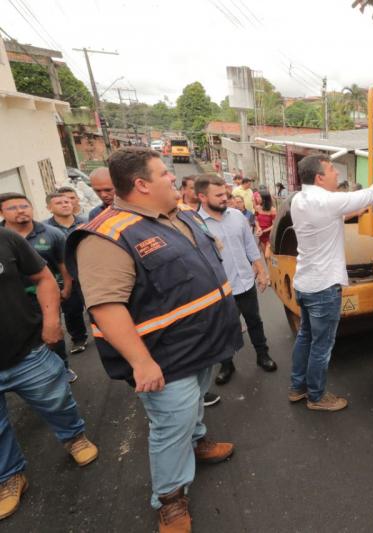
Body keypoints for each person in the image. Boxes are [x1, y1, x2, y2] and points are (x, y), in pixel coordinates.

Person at [66, 147, 241, 532]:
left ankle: (197, 442)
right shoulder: (107, 236)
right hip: (164, 356)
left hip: (201, 344)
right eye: (164, 173)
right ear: (142, 184)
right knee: (169, 425)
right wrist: (141, 362)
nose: (174, 178)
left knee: (193, 408)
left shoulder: (179, 216)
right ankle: (170, 498)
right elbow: (106, 307)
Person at [289, 151, 373, 411]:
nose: (337, 173)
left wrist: (352, 211)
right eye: (332, 169)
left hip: (304, 284)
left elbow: (331, 218)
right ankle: (317, 397)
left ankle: (297, 388)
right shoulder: (327, 201)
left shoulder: (299, 199)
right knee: (322, 345)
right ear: (319, 177)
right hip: (323, 287)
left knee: (305, 337)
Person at [0, 227, 98, 520]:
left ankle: (74, 437)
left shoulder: (6, 239)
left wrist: (52, 322)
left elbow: (43, 278)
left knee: (55, 401)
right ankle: (9, 476)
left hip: (26, 350)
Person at [196, 174, 277, 386]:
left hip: (246, 283)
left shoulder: (237, 216)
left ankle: (263, 356)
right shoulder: (195, 225)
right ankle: (226, 365)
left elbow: (250, 246)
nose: (226, 198)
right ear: (202, 197)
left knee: (255, 322)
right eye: (219, 195)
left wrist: (261, 271)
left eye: (226, 194)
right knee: (224, 328)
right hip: (220, 289)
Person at [0, 193, 77, 383]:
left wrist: (66, 288)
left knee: (53, 336)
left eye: (24, 206)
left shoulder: (52, 233)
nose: (20, 211)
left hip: (45, 298)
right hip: (15, 304)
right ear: (1, 212)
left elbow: (62, 265)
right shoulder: (4, 239)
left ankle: (62, 370)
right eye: (12, 208)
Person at [45, 192, 89, 355]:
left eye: (67, 201)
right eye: (58, 203)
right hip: (64, 277)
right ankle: (78, 338)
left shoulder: (86, 223)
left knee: (97, 305)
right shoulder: (46, 230)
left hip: (87, 272)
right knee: (71, 309)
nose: (65, 204)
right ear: (49, 208)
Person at [255, 189, 276, 257]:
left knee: (268, 256)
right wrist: (258, 228)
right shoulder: (257, 208)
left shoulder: (272, 210)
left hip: (270, 236)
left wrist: (263, 231)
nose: (256, 198)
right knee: (265, 257)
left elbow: (274, 225)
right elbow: (256, 220)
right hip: (261, 236)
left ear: (264, 198)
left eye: (258, 197)